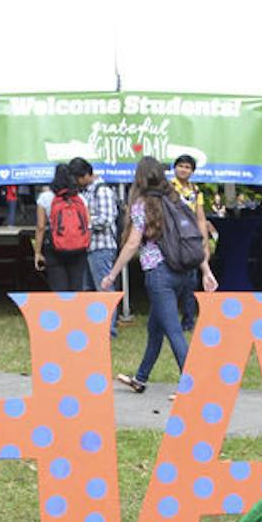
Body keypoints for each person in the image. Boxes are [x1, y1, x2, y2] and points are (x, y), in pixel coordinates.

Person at [101, 156, 217, 394]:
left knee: (174, 331)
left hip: (159, 274)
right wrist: (205, 270)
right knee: (155, 329)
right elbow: (195, 234)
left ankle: (191, 386)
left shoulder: (142, 204)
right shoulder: (176, 199)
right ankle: (140, 378)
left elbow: (133, 243)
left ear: (140, 178)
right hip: (184, 271)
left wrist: (112, 274)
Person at [72, 157, 122, 333]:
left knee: (104, 288)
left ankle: (109, 329)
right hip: (88, 246)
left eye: (77, 178)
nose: (76, 182)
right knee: (87, 289)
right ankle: (93, 327)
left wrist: (83, 223)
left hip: (102, 247)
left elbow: (107, 219)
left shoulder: (102, 191)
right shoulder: (86, 191)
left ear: (86, 175)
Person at [171, 154, 215, 333]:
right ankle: (170, 321)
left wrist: (204, 240)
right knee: (172, 281)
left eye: (187, 167)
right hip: (173, 240)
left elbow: (200, 217)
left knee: (191, 280)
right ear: (174, 168)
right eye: (180, 166)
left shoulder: (196, 191)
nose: (183, 169)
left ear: (193, 171)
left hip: (191, 241)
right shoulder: (168, 188)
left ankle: (188, 321)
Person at [31, 163, 89, 292]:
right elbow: (87, 224)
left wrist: (37, 253)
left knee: (59, 290)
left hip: (55, 249)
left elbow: (40, 227)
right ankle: (75, 312)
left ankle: (62, 311)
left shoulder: (45, 198)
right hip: (78, 250)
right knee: (76, 288)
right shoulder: (80, 199)